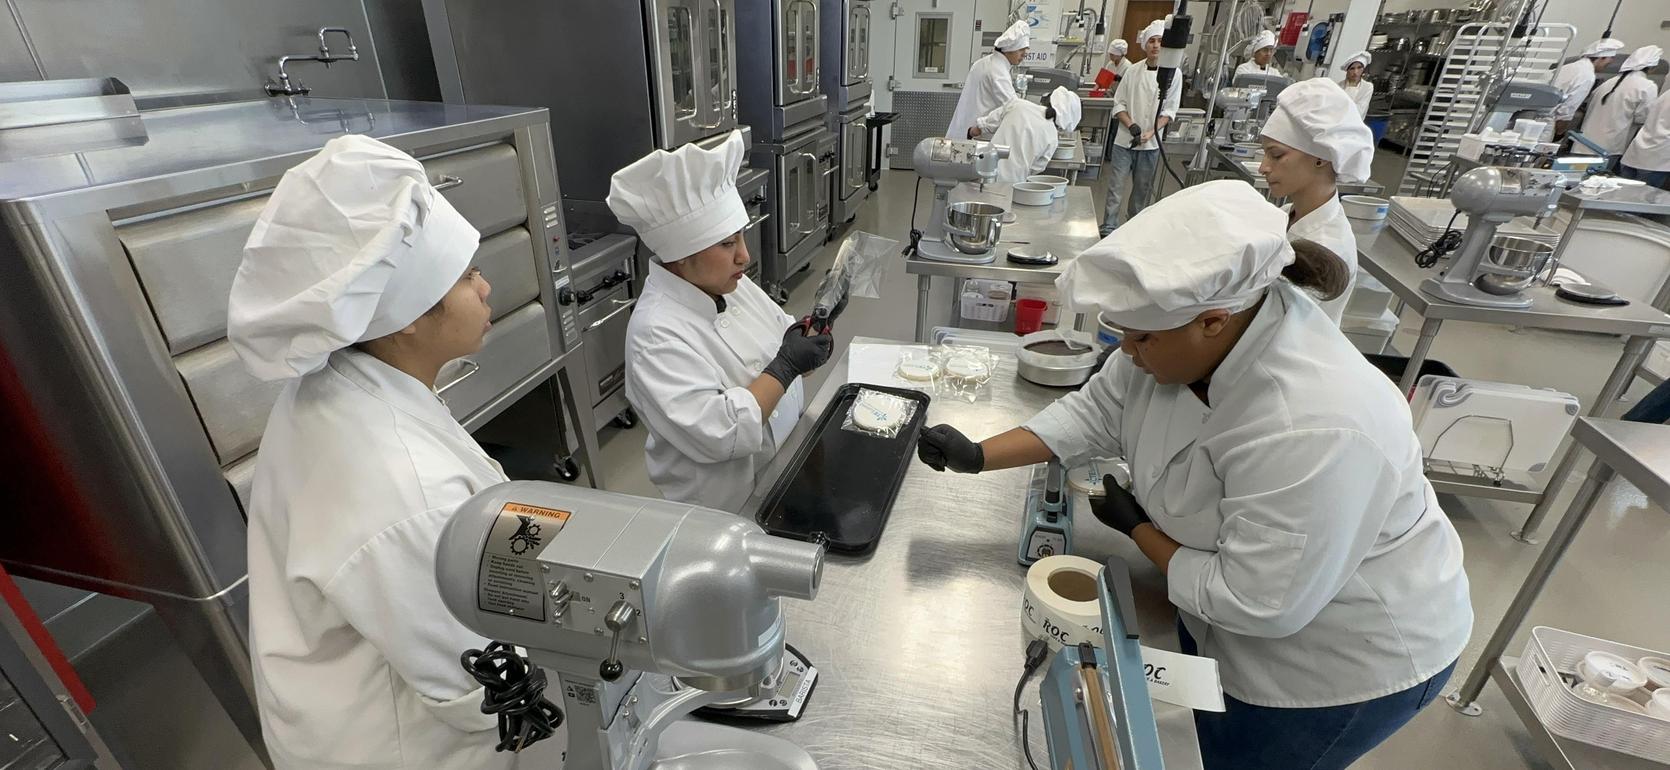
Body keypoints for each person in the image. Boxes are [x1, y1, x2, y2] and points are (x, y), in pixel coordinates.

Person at [916, 180, 1473, 770]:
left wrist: (1138, 531)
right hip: (1228, 604)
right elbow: (1097, 409)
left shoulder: (1314, 423)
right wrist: (978, 455)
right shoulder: (1183, 336)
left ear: (1212, 321)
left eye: (1140, 339)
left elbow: (1255, 600)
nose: (1126, 352)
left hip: (1338, 659)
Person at [231, 135, 564, 769]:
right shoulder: (398, 484)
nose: (488, 288)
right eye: (467, 276)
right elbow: (474, 683)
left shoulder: (347, 382)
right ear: (408, 314)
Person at [611, 130, 834, 512]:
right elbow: (719, 433)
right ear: (682, 255)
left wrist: (807, 345)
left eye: (741, 238)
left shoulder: (731, 285)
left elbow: (784, 337)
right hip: (723, 509)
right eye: (727, 244)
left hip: (783, 465)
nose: (744, 257)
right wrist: (785, 367)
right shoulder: (654, 334)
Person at [1259, 77, 1374, 325]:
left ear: (1321, 158)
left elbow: (1277, 325)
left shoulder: (1327, 245)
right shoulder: (1290, 213)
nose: (1263, 168)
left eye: (1276, 155)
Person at [1100, 19, 1180, 236]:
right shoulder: (1133, 71)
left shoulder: (1174, 74)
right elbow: (1119, 103)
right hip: (1124, 141)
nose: (1155, 45)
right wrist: (1132, 125)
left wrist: (1151, 132)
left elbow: (1170, 110)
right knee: (1115, 189)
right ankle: (1108, 229)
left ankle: (1134, 231)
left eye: (1160, 41)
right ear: (1145, 45)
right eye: (1152, 41)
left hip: (1151, 145)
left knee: (1141, 191)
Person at [970, 86, 1083, 183]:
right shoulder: (1052, 139)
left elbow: (985, 124)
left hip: (983, 170)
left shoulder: (1018, 105)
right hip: (1013, 184)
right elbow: (1035, 168)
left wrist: (971, 132)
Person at [1572, 45, 1662, 157]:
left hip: (1582, 143)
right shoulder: (1647, 86)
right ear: (1652, 68)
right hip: (1609, 148)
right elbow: (1643, 118)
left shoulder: (1609, 82)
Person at [948, 20, 1030, 140]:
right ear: (1009, 49)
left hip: (964, 131)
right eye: (1021, 50)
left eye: (1026, 50)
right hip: (977, 136)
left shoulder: (984, 63)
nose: (1024, 55)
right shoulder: (998, 72)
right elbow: (1013, 109)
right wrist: (982, 126)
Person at [1552, 38, 1626, 138]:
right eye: (1607, 63)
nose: (1607, 66)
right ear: (1601, 58)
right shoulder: (1587, 76)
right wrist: (1559, 133)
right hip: (1548, 121)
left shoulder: (1568, 67)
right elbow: (1567, 110)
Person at [1620, 86, 1670, 188]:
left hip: (1637, 153)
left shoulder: (1666, 94)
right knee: (1641, 201)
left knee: (1621, 198)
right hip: (1658, 161)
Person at [1337, 51, 1374, 117]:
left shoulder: (1367, 87)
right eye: (1352, 69)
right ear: (1347, 71)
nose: (1355, 72)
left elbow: (1360, 111)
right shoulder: (1339, 86)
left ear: (1363, 69)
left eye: (1359, 67)